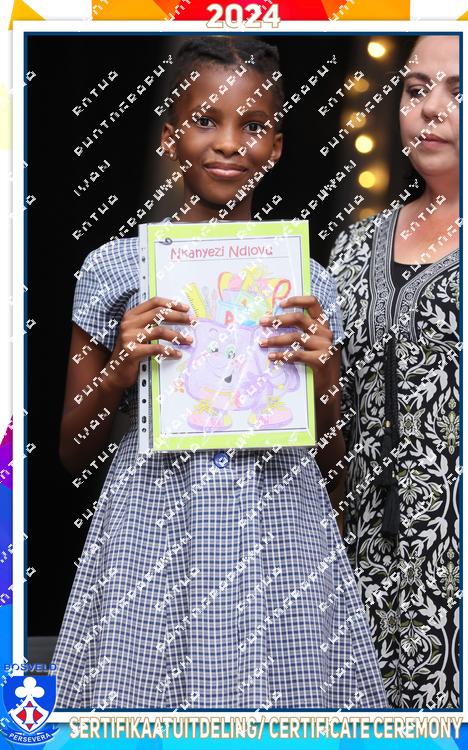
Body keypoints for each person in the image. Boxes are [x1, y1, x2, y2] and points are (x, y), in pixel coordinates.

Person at [53, 36, 387, 710]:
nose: (230, 143)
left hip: (281, 539)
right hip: (153, 536)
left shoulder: (307, 283)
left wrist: (323, 373)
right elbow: (70, 454)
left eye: (254, 125)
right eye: (205, 120)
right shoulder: (113, 271)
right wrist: (117, 372)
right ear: (170, 137)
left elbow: (335, 470)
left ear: (277, 146)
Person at [328, 35, 460, 709]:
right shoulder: (353, 247)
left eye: (459, 90)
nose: (431, 109)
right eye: (416, 90)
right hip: (364, 572)